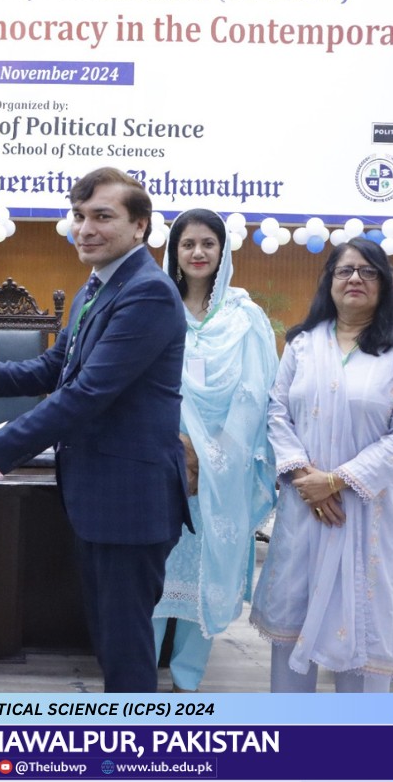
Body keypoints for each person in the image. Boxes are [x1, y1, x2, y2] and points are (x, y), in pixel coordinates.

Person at [0, 167, 191, 693]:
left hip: (130, 500)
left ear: (140, 225)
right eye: (78, 216)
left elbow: (87, 394)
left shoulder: (147, 293)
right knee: (108, 638)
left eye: (102, 216)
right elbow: (58, 367)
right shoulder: (98, 286)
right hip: (98, 495)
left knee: (125, 649)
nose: (85, 229)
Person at [250, 237, 393, 692]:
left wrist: (335, 481)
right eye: (345, 270)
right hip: (304, 509)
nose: (355, 278)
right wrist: (304, 478)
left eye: (368, 271)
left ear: (384, 284)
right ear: (329, 281)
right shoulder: (302, 344)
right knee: (293, 631)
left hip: (367, 513)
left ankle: (359, 738)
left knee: (363, 637)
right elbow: (276, 412)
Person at [153, 209, 279, 692]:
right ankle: (139, 676)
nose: (198, 252)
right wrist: (176, 448)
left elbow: (253, 394)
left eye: (208, 243)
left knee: (206, 569)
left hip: (223, 469)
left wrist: (215, 456)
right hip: (159, 460)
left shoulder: (244, 318)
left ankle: (187, 680)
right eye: (188, 244)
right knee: (155, 570)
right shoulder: (155, 308)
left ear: (223, 252)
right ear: (174, 252)